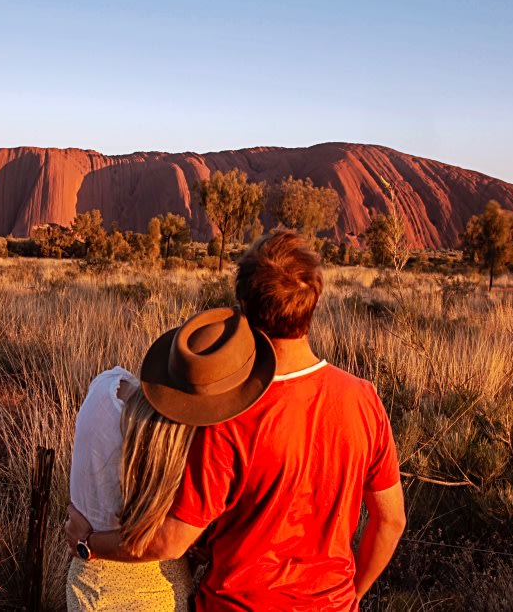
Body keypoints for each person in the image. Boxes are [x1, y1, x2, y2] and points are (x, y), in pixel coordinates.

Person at [67, 231, 405, 610]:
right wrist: (351, 595)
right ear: (313, 302)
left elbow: (172, 541)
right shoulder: (364, 399)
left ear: (243, 307)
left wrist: (89, 544)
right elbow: (391, 521)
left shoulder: (228, 416)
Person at [66, 306, 276, 611]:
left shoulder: (105, 387)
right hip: (163, 588)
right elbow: (174, 541)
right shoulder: (195, 450)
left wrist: (87, 541)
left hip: (89, 582)